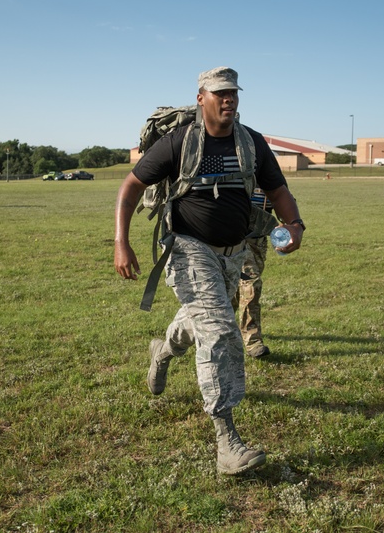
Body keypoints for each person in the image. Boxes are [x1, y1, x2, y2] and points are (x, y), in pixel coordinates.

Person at [113, 66, 305, 475]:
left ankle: (162, 351)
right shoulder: (178, 142)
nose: (228, 99)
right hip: (187, 249)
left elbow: (277, 189)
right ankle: (226, 443)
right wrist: (121, 241)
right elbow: (130, 186)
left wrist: (294, 224)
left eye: (233, 92)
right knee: (219, 330)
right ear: (201, 98)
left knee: (201, 318)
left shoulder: (250, 142)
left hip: (233, 254)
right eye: (219, 93)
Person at [233, 186, 274, 358]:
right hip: (233, 237)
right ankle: (253, 340)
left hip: (258, 241)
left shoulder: (265, 170)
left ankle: (211, 329)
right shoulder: (233, 167)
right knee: (251, 285)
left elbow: (280, 198)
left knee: (234, 292)